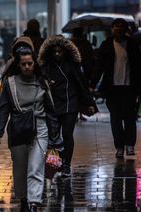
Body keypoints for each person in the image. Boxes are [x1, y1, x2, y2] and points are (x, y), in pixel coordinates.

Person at [0, 40, 57, 212]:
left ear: (35, 63)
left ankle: (34, 206)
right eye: (23, 64)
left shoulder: (42, 82)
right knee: (20, 169)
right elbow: (3, 108)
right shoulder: (9, 83)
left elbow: (51, 110)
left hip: (40, 128)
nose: (27, 67)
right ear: (17, 65)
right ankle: (24, 200)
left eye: (30, 63)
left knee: (36, 166)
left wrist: (55, 138)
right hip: (18, 129)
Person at [38, 35, 96, 177]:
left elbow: (82, 84)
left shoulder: (73, 65)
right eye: (55, 51)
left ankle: (66, 165)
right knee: (54, 136)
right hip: (53, 105)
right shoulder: (46, 66)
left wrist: (89, 103)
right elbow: (40, 84)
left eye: (60, 51)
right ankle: (56, 163)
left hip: (71, 104)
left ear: (65, 51)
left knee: (67, 135)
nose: (57, 54)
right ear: (51, 52)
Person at [91, 18, 141, 158]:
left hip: (129, 88)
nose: (118, 29)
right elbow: (99, 67)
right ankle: (119, 147)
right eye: (115, 26)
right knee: (115, 119)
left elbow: (139, 67)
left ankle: (130, 145)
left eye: (121, 26)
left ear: (125, 29)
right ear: (112, 29)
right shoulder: (106, 45)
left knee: (129, 117)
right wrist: (91, 83)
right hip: (112, 88)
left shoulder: (132, 45)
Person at [70, 27, 95, 121]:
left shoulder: (70, 44)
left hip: (73, 72)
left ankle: (76, 113)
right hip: (85, 72)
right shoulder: (86, 44)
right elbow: (91, 58)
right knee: (82, 91)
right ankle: (80, 112)